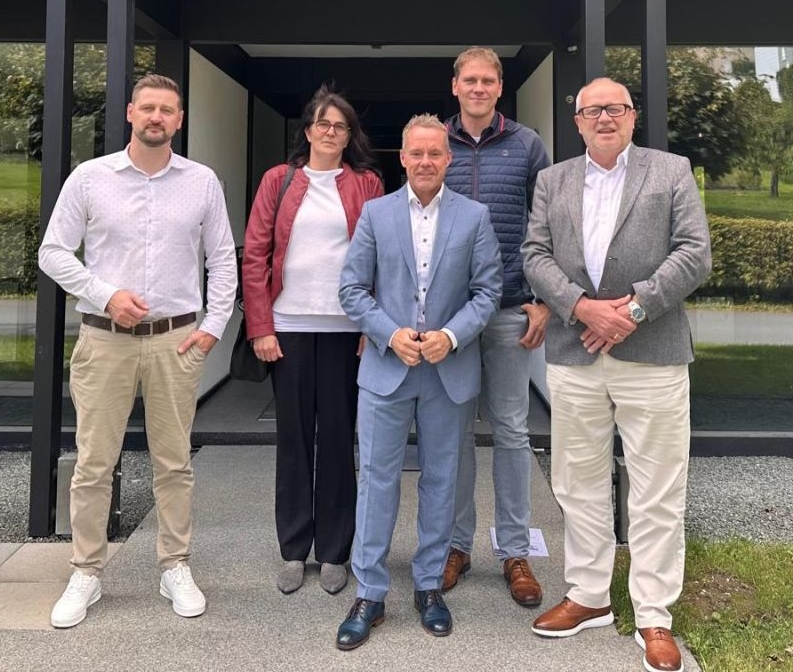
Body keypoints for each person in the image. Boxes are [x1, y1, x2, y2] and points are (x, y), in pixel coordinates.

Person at [522, 77, 711, 672]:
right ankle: (589, 596)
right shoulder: (553, 180)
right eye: (592, 110)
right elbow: (534, 254)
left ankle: (655, 615)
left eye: (616, 108)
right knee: (577, 483)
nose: (604, 118)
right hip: (575, 353)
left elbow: (694, 253)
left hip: (650, 353)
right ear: (576, 121)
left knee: (657, 490)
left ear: (633, 117)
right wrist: (581, 307)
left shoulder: (671, 170)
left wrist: (630, 310)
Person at [39, 74, 237, 628]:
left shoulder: (201, 182)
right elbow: (53, 253)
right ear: (130, 112)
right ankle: (87, 572)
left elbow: (223, 260)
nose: (156, 117)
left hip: (177, 341)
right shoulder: (90, 178)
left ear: (178, 120)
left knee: (174, 463)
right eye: (147, 107)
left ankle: (175, 564)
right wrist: (105, 294)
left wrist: (213, 327)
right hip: (105, 339)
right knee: (94, 462)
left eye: (167, 110)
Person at [334, 113, 502, 650]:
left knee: (442, 481)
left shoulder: (474, 217)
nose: (426, 162)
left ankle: (430, 586)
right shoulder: (375, 214)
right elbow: (353, 289)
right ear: (401, 158)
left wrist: (451, 337)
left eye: (435, 153)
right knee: (377, 480)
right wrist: (389, 334)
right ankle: (371, 592)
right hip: (387, 369)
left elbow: (487, 291)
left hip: (448, 372)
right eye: (416, 153)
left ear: (447, 159)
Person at [243, 84, 383, 596]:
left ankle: (335, 550)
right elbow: (255, 253)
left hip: (347, 330)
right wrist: (260, 325)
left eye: (340, 126)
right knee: (294, 441)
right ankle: (292, 549)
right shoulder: (279, 180)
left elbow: (380, 258)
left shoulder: (367, 183)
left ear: (349, 136)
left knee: (340, 438)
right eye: (322, 123)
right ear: (308, 130)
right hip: (289, 329)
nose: (330, 132)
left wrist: (373, 326)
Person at [442, 46, 551, 606]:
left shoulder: (528, 144)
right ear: (455, 85)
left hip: (511, 309)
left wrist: (541, 298)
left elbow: (546, 224)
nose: (479, 87)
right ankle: (456, 545)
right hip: (452, 318)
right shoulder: (435, 142)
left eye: (488, 80)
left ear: (499, 87)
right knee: (454, 432)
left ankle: (514, 551)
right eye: (470, 80)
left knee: (511, 430)